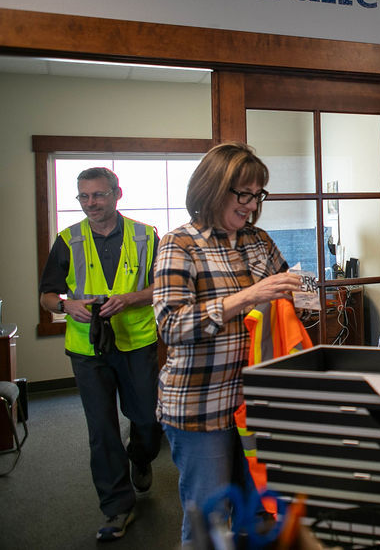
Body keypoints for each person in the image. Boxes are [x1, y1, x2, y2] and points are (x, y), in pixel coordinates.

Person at [153, 142, 302, 544]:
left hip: (257, 405)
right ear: (212, 188)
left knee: (257, 516)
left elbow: (283, 294)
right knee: (210, 519)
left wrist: (297, 299)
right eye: (244, 194)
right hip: (201, 406)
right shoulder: (179, 244)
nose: (252, 206)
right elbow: (171, 325)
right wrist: (248, 297)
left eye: (258, 195)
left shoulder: (258, 240)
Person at [38, 167, 161, 542]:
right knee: (101, 429)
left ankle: (140, 456)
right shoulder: (67, 239)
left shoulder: (147, 236)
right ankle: (116, 507)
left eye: (98, 195)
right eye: (83, 197)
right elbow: (47, 297)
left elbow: (164, 287)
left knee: (148, 420)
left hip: (137, 342)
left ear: (116, 194)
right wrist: (66, 304)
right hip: (87, 348)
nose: (91, 203)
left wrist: (130, 298)